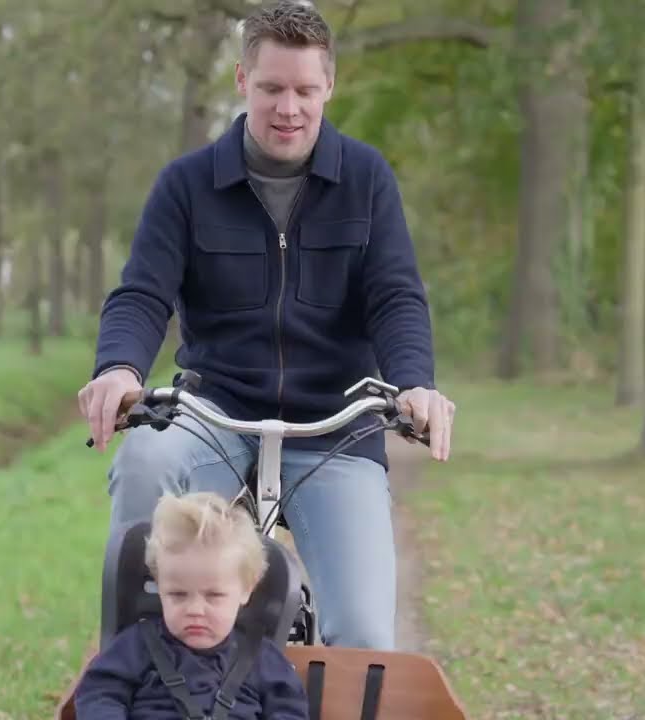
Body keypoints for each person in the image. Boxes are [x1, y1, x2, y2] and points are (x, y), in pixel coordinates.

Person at [76, 0, 455, 651]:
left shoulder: (366, 180)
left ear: (329, 86)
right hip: (213, 414)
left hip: (332, 426)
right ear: (241, 80)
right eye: (273, 87)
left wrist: (415, 385)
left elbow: (395, 297)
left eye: (306, 90)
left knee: (364, 635)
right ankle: (135, 664)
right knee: (144, 460)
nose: (290, 108)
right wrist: (119, 368)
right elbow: (141, 293)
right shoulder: (186, 185)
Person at [73, 492, 309, 720]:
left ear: (247, 589)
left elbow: (289, 711)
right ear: (159, 584)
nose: (195, 610)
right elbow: (99, 694)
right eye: (178, 594)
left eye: (214, 596)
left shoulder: (262, 658)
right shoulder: (137, 646)